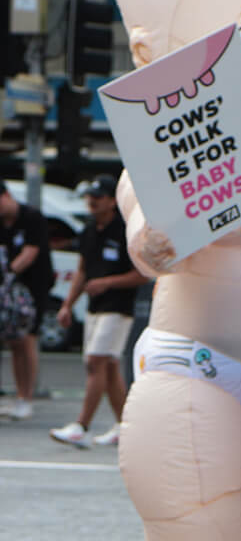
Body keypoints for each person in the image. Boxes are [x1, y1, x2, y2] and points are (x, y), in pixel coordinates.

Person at [50, 175, 146, 447]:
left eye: (98, 196)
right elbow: (82, 270)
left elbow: (141, 274)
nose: (91, 201)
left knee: (95, 361)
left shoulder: (125, 229)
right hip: (94, 307)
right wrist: (68, 304)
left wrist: (107, 283)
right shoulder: (89, 230)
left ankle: (82, 425)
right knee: (110, 366)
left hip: (118, 307)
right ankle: (125, 426)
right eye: (89, 196)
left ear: (112, 201)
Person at [0, 181, 55, 420]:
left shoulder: (32, 217)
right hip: (9, 289)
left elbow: (30, 253)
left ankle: (26, 396)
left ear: (7, 196)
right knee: (13, 341)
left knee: (27, 339)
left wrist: (9, 273)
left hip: (33, 286)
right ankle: (18, 395)